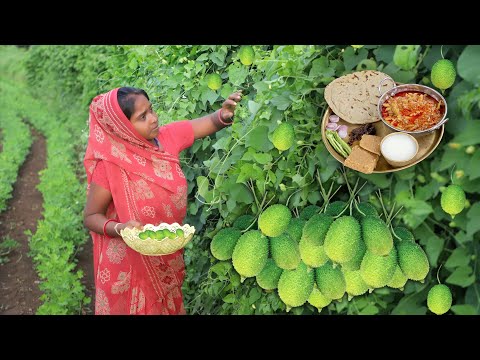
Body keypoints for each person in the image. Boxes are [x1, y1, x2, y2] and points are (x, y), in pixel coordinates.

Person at [83, 86, 241, 315]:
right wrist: (120, 228)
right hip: (128, 268)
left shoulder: (166, 138)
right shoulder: (109, 165)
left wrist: (224, 115)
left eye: (151, 110)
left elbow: (205, 124)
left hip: (166, 257)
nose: (154, 119)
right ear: (123, 127)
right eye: (142, 117)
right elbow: (90, 216)